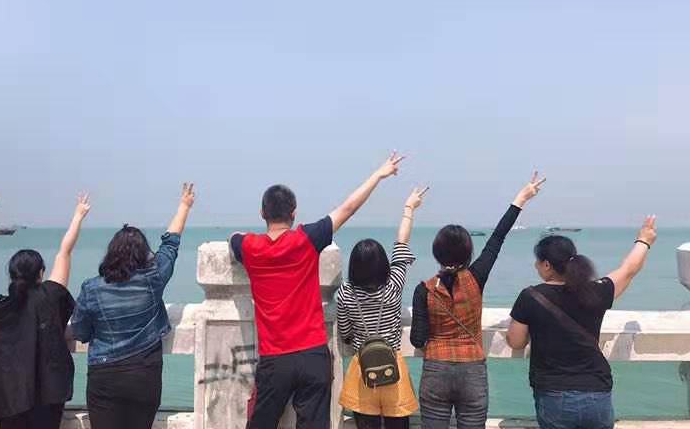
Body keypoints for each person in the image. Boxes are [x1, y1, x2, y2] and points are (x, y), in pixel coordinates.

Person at [230, 152, 406, 429]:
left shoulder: (249, 247)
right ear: (294, 212)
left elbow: (234, 238)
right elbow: (348, 208)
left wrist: (239, 236)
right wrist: (378, 175)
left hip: (275, 358)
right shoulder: (307, 239)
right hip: (313, 354)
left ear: (262, 213)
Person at [410, 172, 546, 429]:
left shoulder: (423, 290)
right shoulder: (476, 278)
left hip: (436, 370)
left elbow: (417, 340)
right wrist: (521, 198)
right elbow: (497, 238)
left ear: (436, 253)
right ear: (468, 252)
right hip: (472, 369)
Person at [506, 215, 657, 429]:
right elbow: (628, 270)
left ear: (547, 265)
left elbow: (516, 342)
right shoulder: (596, 291)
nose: (535, 265)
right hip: (597, 391)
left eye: (538, 261)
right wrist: (644, 240)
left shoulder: (530, 296)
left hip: (554, 394)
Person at [70, 183, 196, 429]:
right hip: (144, 373)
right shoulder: (153, 278)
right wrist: (184, 206)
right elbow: (170, 245)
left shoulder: (91, 288)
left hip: (104, 375)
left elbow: (80, 332)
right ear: (143, 253)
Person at [0, 193, 92, 429]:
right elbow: (64, 253)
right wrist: (78, 216)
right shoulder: (50, 296)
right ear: (41, 273)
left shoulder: (0, 308)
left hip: (8, 396)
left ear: (12, 275)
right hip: (47, 396)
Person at [337, 186, 429, 429]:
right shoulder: (393, 286)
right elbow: (401, 243)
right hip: (393, 369)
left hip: (362, 371)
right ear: (383, 265)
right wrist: (409, 208)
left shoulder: (346, 293)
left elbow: (345, 334)